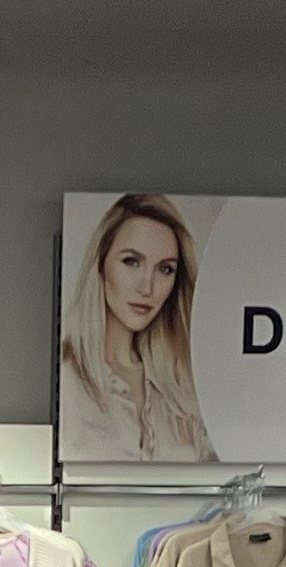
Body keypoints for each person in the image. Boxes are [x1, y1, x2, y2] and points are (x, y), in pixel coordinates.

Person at [58, 193, 214, 461]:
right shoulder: (69, 376)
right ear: (101, 264)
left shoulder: (182, 387)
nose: (147, 287)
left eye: (165, 269)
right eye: (131, 261)